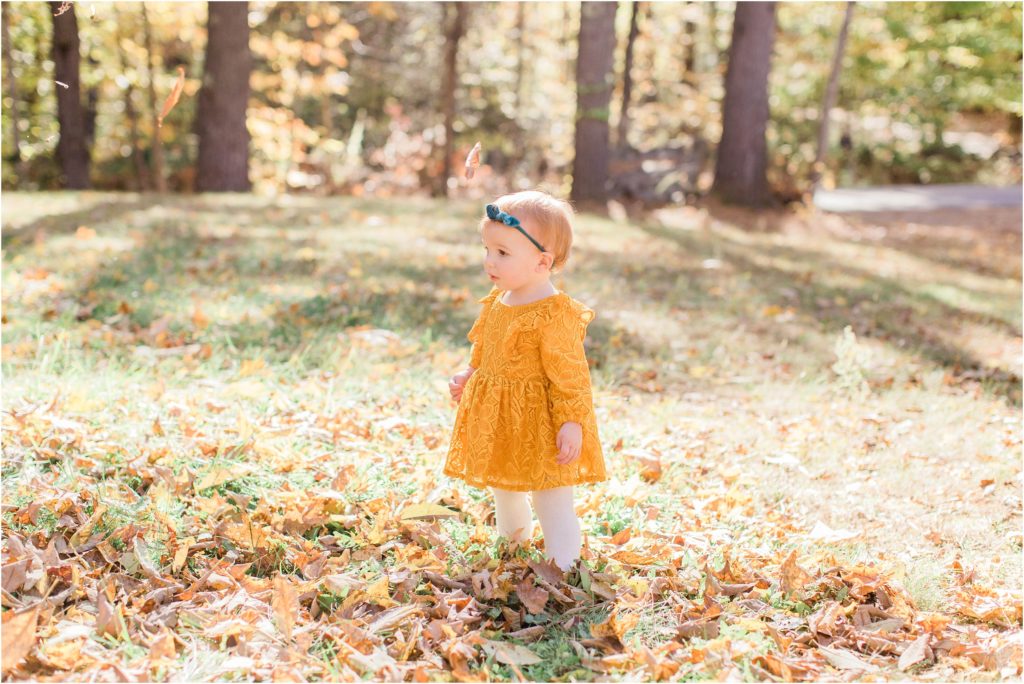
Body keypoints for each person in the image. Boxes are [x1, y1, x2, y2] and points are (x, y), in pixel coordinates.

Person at [443, 190, 607, 572]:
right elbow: (486, 349)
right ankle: (513, 549)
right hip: (503, 420)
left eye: (503, 253)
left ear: (542, 262)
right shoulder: (499, 301)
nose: (489, 261)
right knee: (505, 488)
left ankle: (564, 566)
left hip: (542, 424)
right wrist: (470, 374)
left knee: (551, 496)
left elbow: (570, 375)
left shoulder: (553, 313)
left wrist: (571, 421)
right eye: (487, 249)